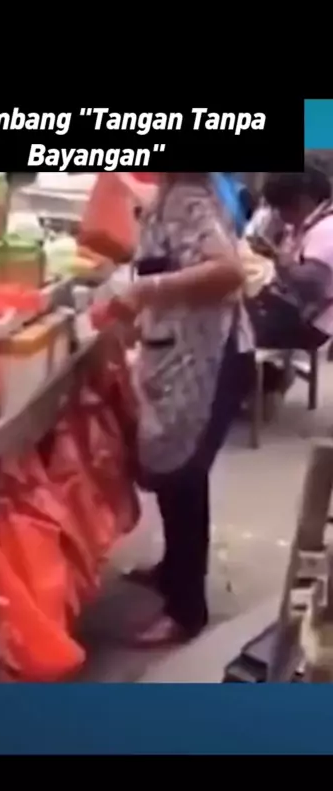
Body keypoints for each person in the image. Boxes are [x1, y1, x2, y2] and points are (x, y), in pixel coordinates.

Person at [95, 173, 254, 646]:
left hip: (207, 357)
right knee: (174, 474)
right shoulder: (173, 193)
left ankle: (186, 609)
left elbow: (228, 272)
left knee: (184, 477)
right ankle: (173, 569)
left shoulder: (186, 198)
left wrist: (146, 291)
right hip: (183, 352)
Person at [247, 166, 333, 382]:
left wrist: (278, 259)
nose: (280, 214)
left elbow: (310, 289)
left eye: (282, 206)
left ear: (302, 201)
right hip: (296, 309)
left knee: (235, 330)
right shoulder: (304, 225)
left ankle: (266, 382)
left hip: (312, 323)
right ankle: (267, 379)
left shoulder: (326, 230)